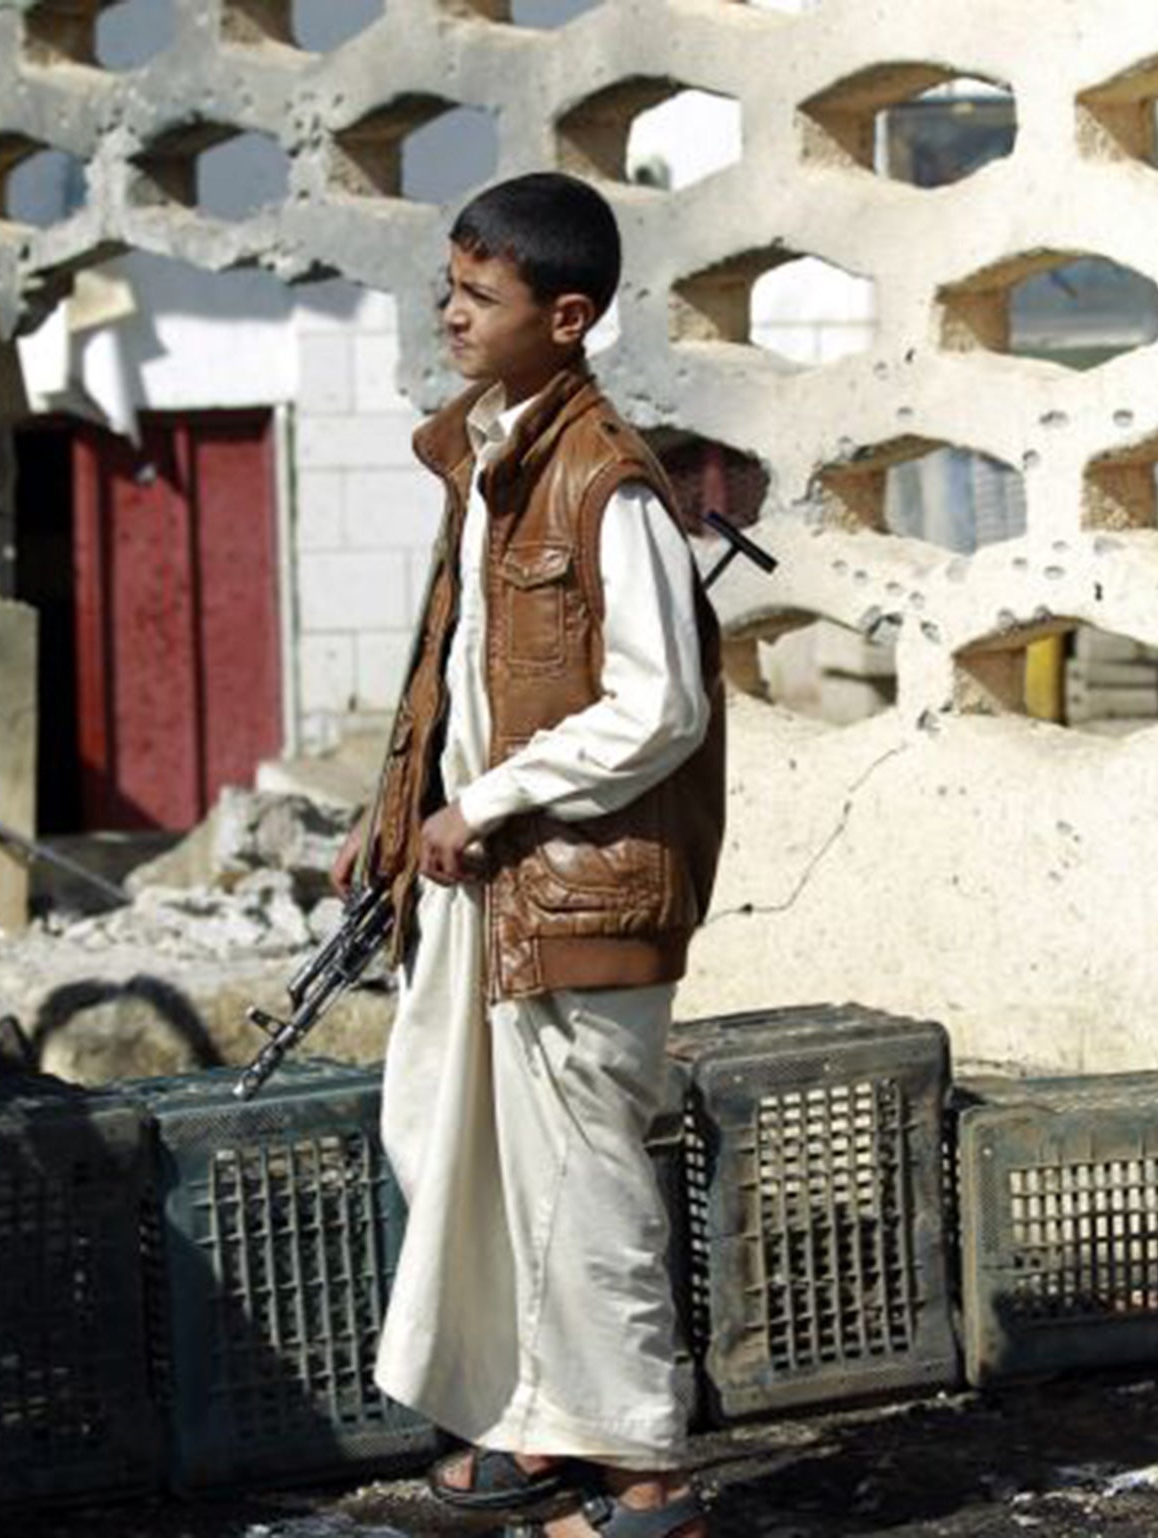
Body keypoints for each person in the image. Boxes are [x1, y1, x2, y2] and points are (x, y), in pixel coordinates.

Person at [327, 171, 724, 1538]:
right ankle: (532, 1425)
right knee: (457, 1151)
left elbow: (662, 705)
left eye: (477, 297)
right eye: (450, 286)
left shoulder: (606, 482)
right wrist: (396, 817)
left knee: (582, 1184)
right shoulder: (492, 458)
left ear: (567, 318)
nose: (450, 313)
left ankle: (649, 1474)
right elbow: (462, 672)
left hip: (576, 894)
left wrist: (492, 802)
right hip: (482, 888)